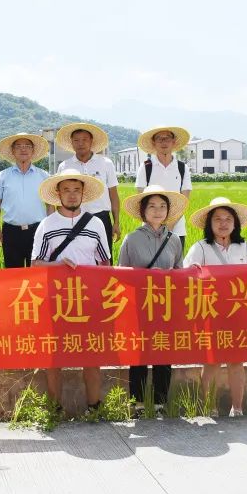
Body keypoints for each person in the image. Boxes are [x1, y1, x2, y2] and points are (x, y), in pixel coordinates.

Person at [31, 172, 111, 415]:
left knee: (91, 356)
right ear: (58, 194)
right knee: (54, 358)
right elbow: (35, 264)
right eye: (67, 190)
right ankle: (54, 409)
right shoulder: (47, 225)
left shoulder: (96, 224)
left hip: (88, 301)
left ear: (83, 194)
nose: (72, 194)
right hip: (57, 301)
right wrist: (58, 267)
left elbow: (105, 264)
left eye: (77, 189)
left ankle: (94, 408)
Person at [184, 197, 247, 417]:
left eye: (228, 219)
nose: (223, 223)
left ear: (235, 223)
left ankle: (238, 408)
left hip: (238, 314)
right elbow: (185, 276)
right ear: (209, 224)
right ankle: (209, 407)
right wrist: (193, 272)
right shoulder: (200, 248)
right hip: (211, 314)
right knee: (212, 362)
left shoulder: (244, 246)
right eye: (217, 219)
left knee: (237, 362)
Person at [119, 184, 188, 415]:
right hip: (139, 306)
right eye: (152, 206)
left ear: (168, 211)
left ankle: (160, 403)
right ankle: (137, 404)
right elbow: (121, 275)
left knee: (163, 352)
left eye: (162, 206)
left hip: (165, 307)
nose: (157, 211)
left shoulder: (174, 240)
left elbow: (178, 271)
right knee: (138, 354)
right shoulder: (131, 239)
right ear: (143, 211)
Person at [56, 122, 121, 258]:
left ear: (91, 141)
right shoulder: (64, 166)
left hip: (101, 217)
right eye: (76, 140)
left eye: (85, 139)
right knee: (76, 258)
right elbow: (59, 197)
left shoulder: (106, 163)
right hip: (74, 218)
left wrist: (116, 222)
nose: (81, 143)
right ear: (72, 143)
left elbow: (113, 195)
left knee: (103, 258)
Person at [0, 132, 52, 268]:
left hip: (37, 230)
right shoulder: (3, 176)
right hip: (11, 232)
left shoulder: (44, 176)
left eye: (27, 146)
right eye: (18, 146)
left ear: (33, 150)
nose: (23, 149)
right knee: (13, 274)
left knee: (37, 273)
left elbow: (50, 205)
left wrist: (50, 229)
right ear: (13, 151)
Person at [134, 126, 192, 251]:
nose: (164, 142)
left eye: (167, 138)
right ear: (154, 143)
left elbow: (185, 201)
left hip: (177, 229)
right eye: (159, 139)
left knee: (175, 268)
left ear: (174, 142)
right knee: (149, 268)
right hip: (149, 230)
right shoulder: (145, 167)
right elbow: (141, 199)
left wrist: (170, 224)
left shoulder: (182, 168)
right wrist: (156, 225)